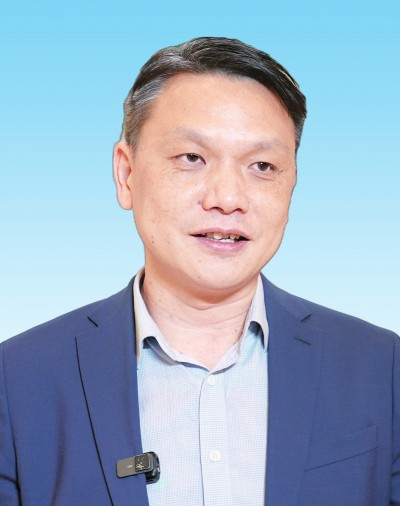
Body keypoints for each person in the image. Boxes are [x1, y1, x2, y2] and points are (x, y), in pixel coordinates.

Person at [0, 37, 399, 506]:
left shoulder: (381, 367)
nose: (227, 198)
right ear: (126, 175)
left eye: (262, 165)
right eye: (192, 158)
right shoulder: (17, 380)